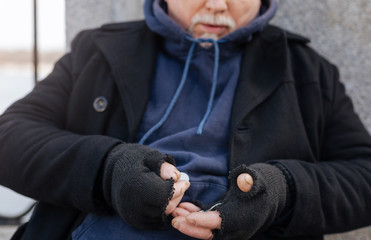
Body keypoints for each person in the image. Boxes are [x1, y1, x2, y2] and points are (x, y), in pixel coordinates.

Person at [0, 0, 370, 239]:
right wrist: (109, 170)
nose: (216, 5)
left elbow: (364, 176)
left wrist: (281, 192)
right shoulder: (99, 50)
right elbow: (10, 139)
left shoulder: (309, 70)